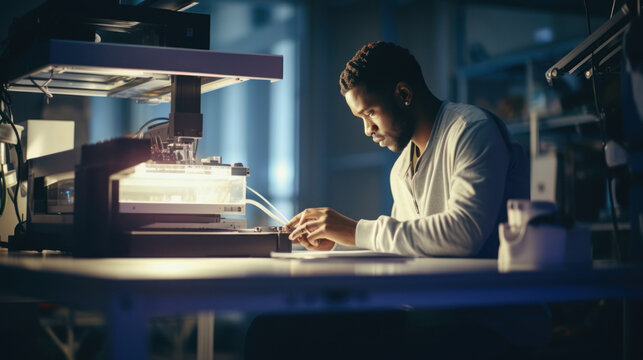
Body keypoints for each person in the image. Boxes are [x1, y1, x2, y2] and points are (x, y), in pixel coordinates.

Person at [287, 41, 528, 259]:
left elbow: (463, 233)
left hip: (495, 305)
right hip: (440, 305)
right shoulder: (401, 169)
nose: (367, 130)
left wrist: (353, 230)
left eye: (370, 113)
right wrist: (336, 241)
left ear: (404, 94)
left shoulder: (471, 130)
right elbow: (406, 242)